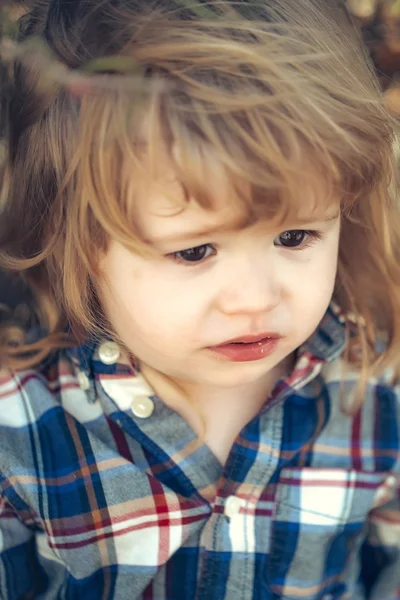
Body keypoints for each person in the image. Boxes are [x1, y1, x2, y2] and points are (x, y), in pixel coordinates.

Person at [0, 0, 399, 598]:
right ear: (78, 245)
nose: (255, 299)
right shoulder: (20, 429)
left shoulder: (372, 397)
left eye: (294, 237)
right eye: (194, 252)